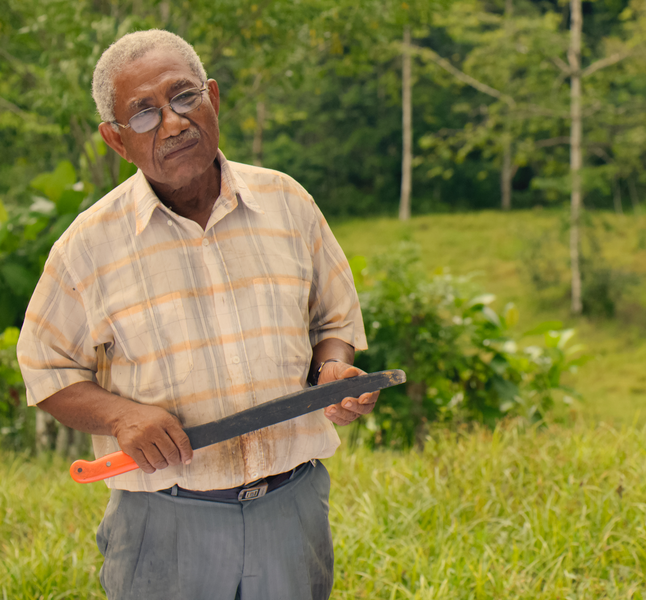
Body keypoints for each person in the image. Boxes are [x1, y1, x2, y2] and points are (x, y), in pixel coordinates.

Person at [16, 29, 378, 600]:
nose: (174, 123)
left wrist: (334, 370)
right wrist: (119, 418)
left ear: (212, 96)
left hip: (292, 510)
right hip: (164, 523)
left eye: (185, 97)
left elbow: (332, 323)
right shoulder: (87, 247)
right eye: (143, 114)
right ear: (115, 139)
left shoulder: (287, 202)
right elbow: (46, 370)